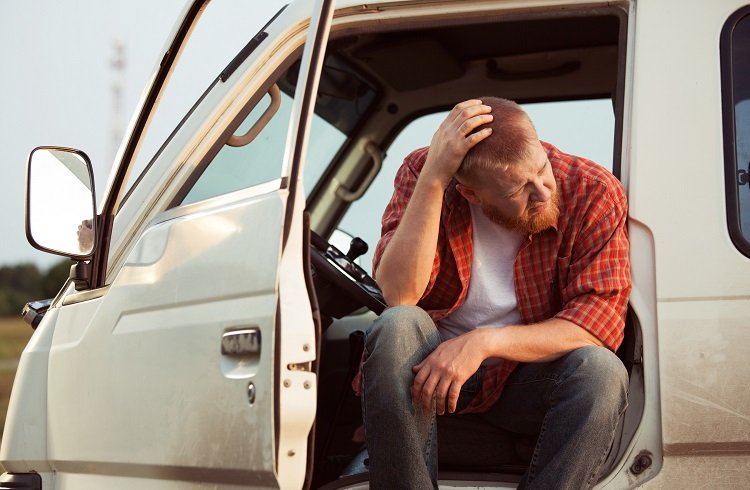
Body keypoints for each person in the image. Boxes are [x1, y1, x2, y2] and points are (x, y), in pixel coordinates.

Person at [360, 97, 631, 489]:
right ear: (471, 194)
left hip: (525, 381)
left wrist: (484, 343)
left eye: (542, 168)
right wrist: (433, 179)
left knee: (601, 371)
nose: (543, 192)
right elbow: (399, 294)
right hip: (431, 381)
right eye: (520, 188)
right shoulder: (424, 173)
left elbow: (597, 325)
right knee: (398, 325)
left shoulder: (592, 190)